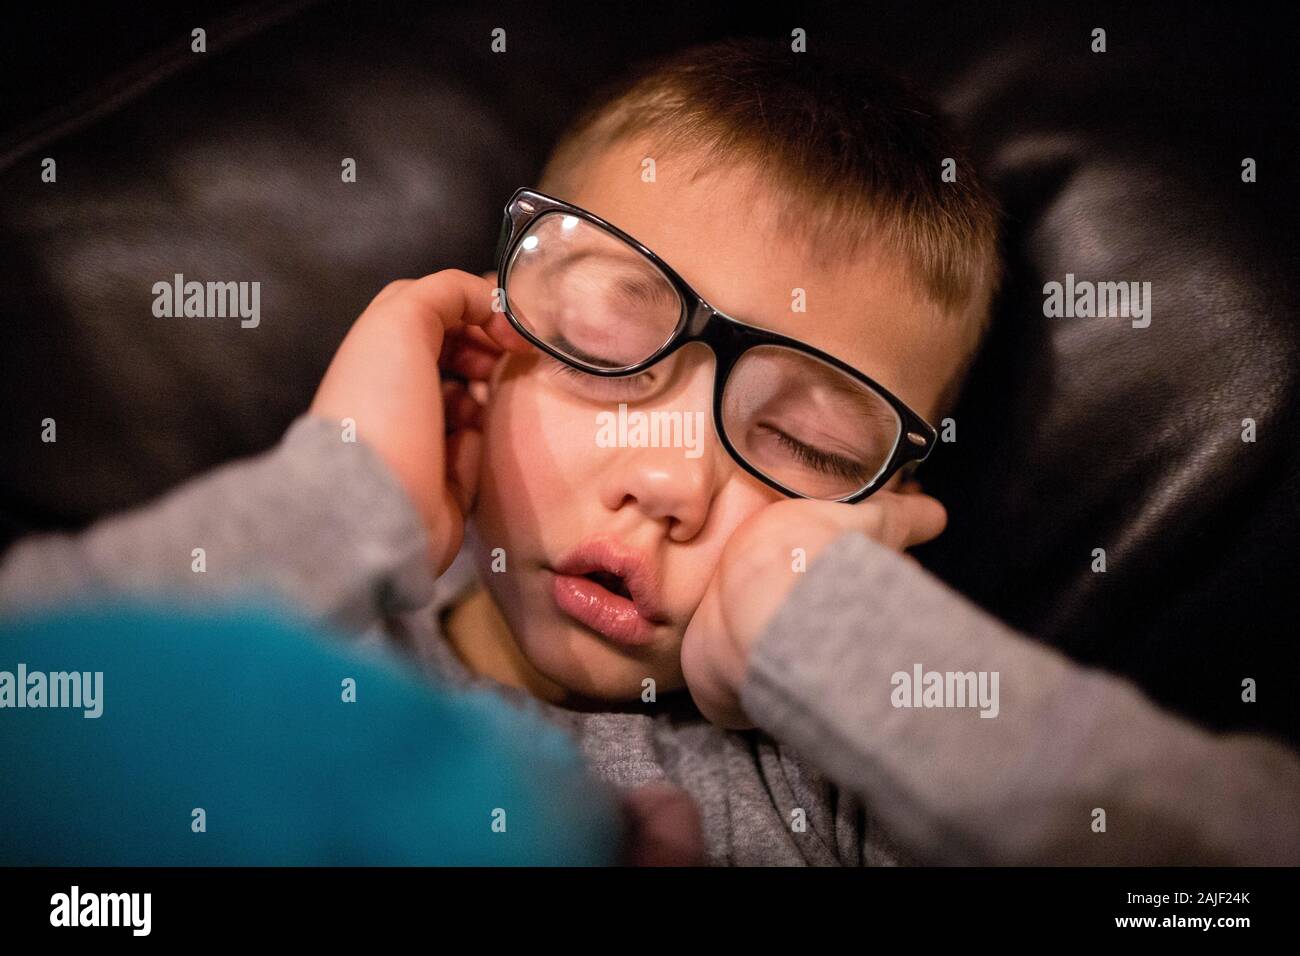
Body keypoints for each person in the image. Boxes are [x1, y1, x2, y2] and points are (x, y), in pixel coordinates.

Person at [4, 38, 1297, 865]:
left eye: (800, 439)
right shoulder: (280, 628)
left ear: (883, 505)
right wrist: (342, 490)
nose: (672, 482)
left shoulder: (848, 794)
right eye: (611, 342)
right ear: (489, 338)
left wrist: (824, 622)